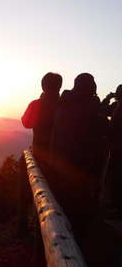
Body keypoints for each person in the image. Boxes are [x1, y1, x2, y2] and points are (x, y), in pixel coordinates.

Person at [51, 73, 108, 238]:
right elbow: (102, 127)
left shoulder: (65, 102)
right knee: (80, 210)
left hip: (61, 162)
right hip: (83, 166)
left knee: (66, 204)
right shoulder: (88, 105)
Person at [21, 72, 62, 166]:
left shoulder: (36, 104)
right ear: (59, 87)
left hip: (40, 152)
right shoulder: (65, 104)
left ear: (43, 87)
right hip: (61, 155)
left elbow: (26, 123)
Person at [103, 85, 122, 215]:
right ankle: (115, 203)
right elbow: (102, 110)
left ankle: (118, 206)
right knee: (113, 176)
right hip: (115, 148)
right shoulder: (116, 106)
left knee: (116, 176)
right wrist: (107, 98)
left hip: (118, 148)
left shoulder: (117, 107)